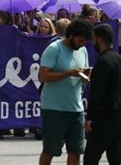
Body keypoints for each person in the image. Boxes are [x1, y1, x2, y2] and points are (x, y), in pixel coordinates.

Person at [38, 19, 93, 165]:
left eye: (85, 41)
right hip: (53, 109)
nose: (82, 44)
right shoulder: (54, 48)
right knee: (50, 150)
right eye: (80, 40)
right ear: (71, 35)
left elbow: (81, 74)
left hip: (76, 109)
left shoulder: (83, 50)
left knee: (76, 151)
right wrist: (68, 73)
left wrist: (86, 78)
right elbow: (42, 76)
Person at [84, 24, 121, 165]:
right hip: (117, 118)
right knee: (115, 158)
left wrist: (90, 117)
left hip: (103, 119)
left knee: (90, 159)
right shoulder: (118, 58)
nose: (92, 43)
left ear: (99, 40)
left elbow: (97, 94)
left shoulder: (103, 62)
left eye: (93, 39)